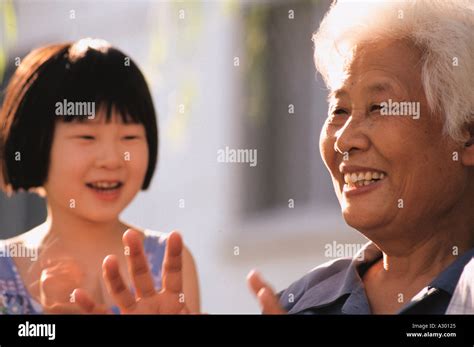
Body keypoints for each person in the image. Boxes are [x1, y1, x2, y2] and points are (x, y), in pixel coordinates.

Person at [247, 0, 474, 314]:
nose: (344, 139)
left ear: (467, 134)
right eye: (339, 110)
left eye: (379, 107)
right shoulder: (300, 303)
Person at [0, 38, 200, 314]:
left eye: (129, 136)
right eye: (87, 137)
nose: (112, 159)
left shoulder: (170, 265)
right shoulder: (4, 273)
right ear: (35, 143)